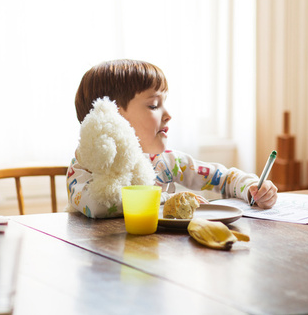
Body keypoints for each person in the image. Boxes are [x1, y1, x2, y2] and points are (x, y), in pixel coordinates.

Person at [66, 59, 278, 218]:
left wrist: (252, 187)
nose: (168, 114)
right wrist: (168, 200)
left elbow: (224, 179)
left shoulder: (164, 161)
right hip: (102, 264)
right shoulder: (84, 165)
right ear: (113, 116)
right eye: (153, 105)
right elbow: (99, 205)